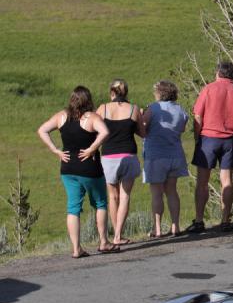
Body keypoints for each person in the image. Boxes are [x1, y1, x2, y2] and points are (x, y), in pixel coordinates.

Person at [37, 86, 113, 258]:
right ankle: (103, 242)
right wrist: (92, 148)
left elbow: (42, 130)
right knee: (100, 203)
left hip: (68, 167)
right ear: (88, 100)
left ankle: (76, 248)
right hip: (89, 167)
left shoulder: (62, 116)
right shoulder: (91, 117)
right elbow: (105, 132)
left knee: (73, 208)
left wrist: (55, 150)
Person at [189, 61, 233, 234]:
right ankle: (225, 219)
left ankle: (199, 220)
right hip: (230, 138)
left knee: (202, 182)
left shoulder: (209, 89)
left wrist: (197, 136)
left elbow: (198, 116)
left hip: (209, 137)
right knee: (227, 180)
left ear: (217, 73)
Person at [95, 79, 144, 246]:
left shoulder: (103, 108)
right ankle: (118, 235)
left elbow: (95, 130)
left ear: (112, 93)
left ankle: (115, 236)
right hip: (129, 155)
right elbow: (143, 133)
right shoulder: (134, 109)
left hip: (108, 157)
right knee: (125, 196)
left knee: (112, 196)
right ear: (126, 93)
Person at [142, 80, 190, 238]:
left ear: (159, 93)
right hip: (175, 154)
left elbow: (143, 127)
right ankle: (175, 225)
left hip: (156, 155)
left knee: (156, 193)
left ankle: (157, 228)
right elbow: (182, 128)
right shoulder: (180, 109)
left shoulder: (153, 108)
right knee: (172, 191)